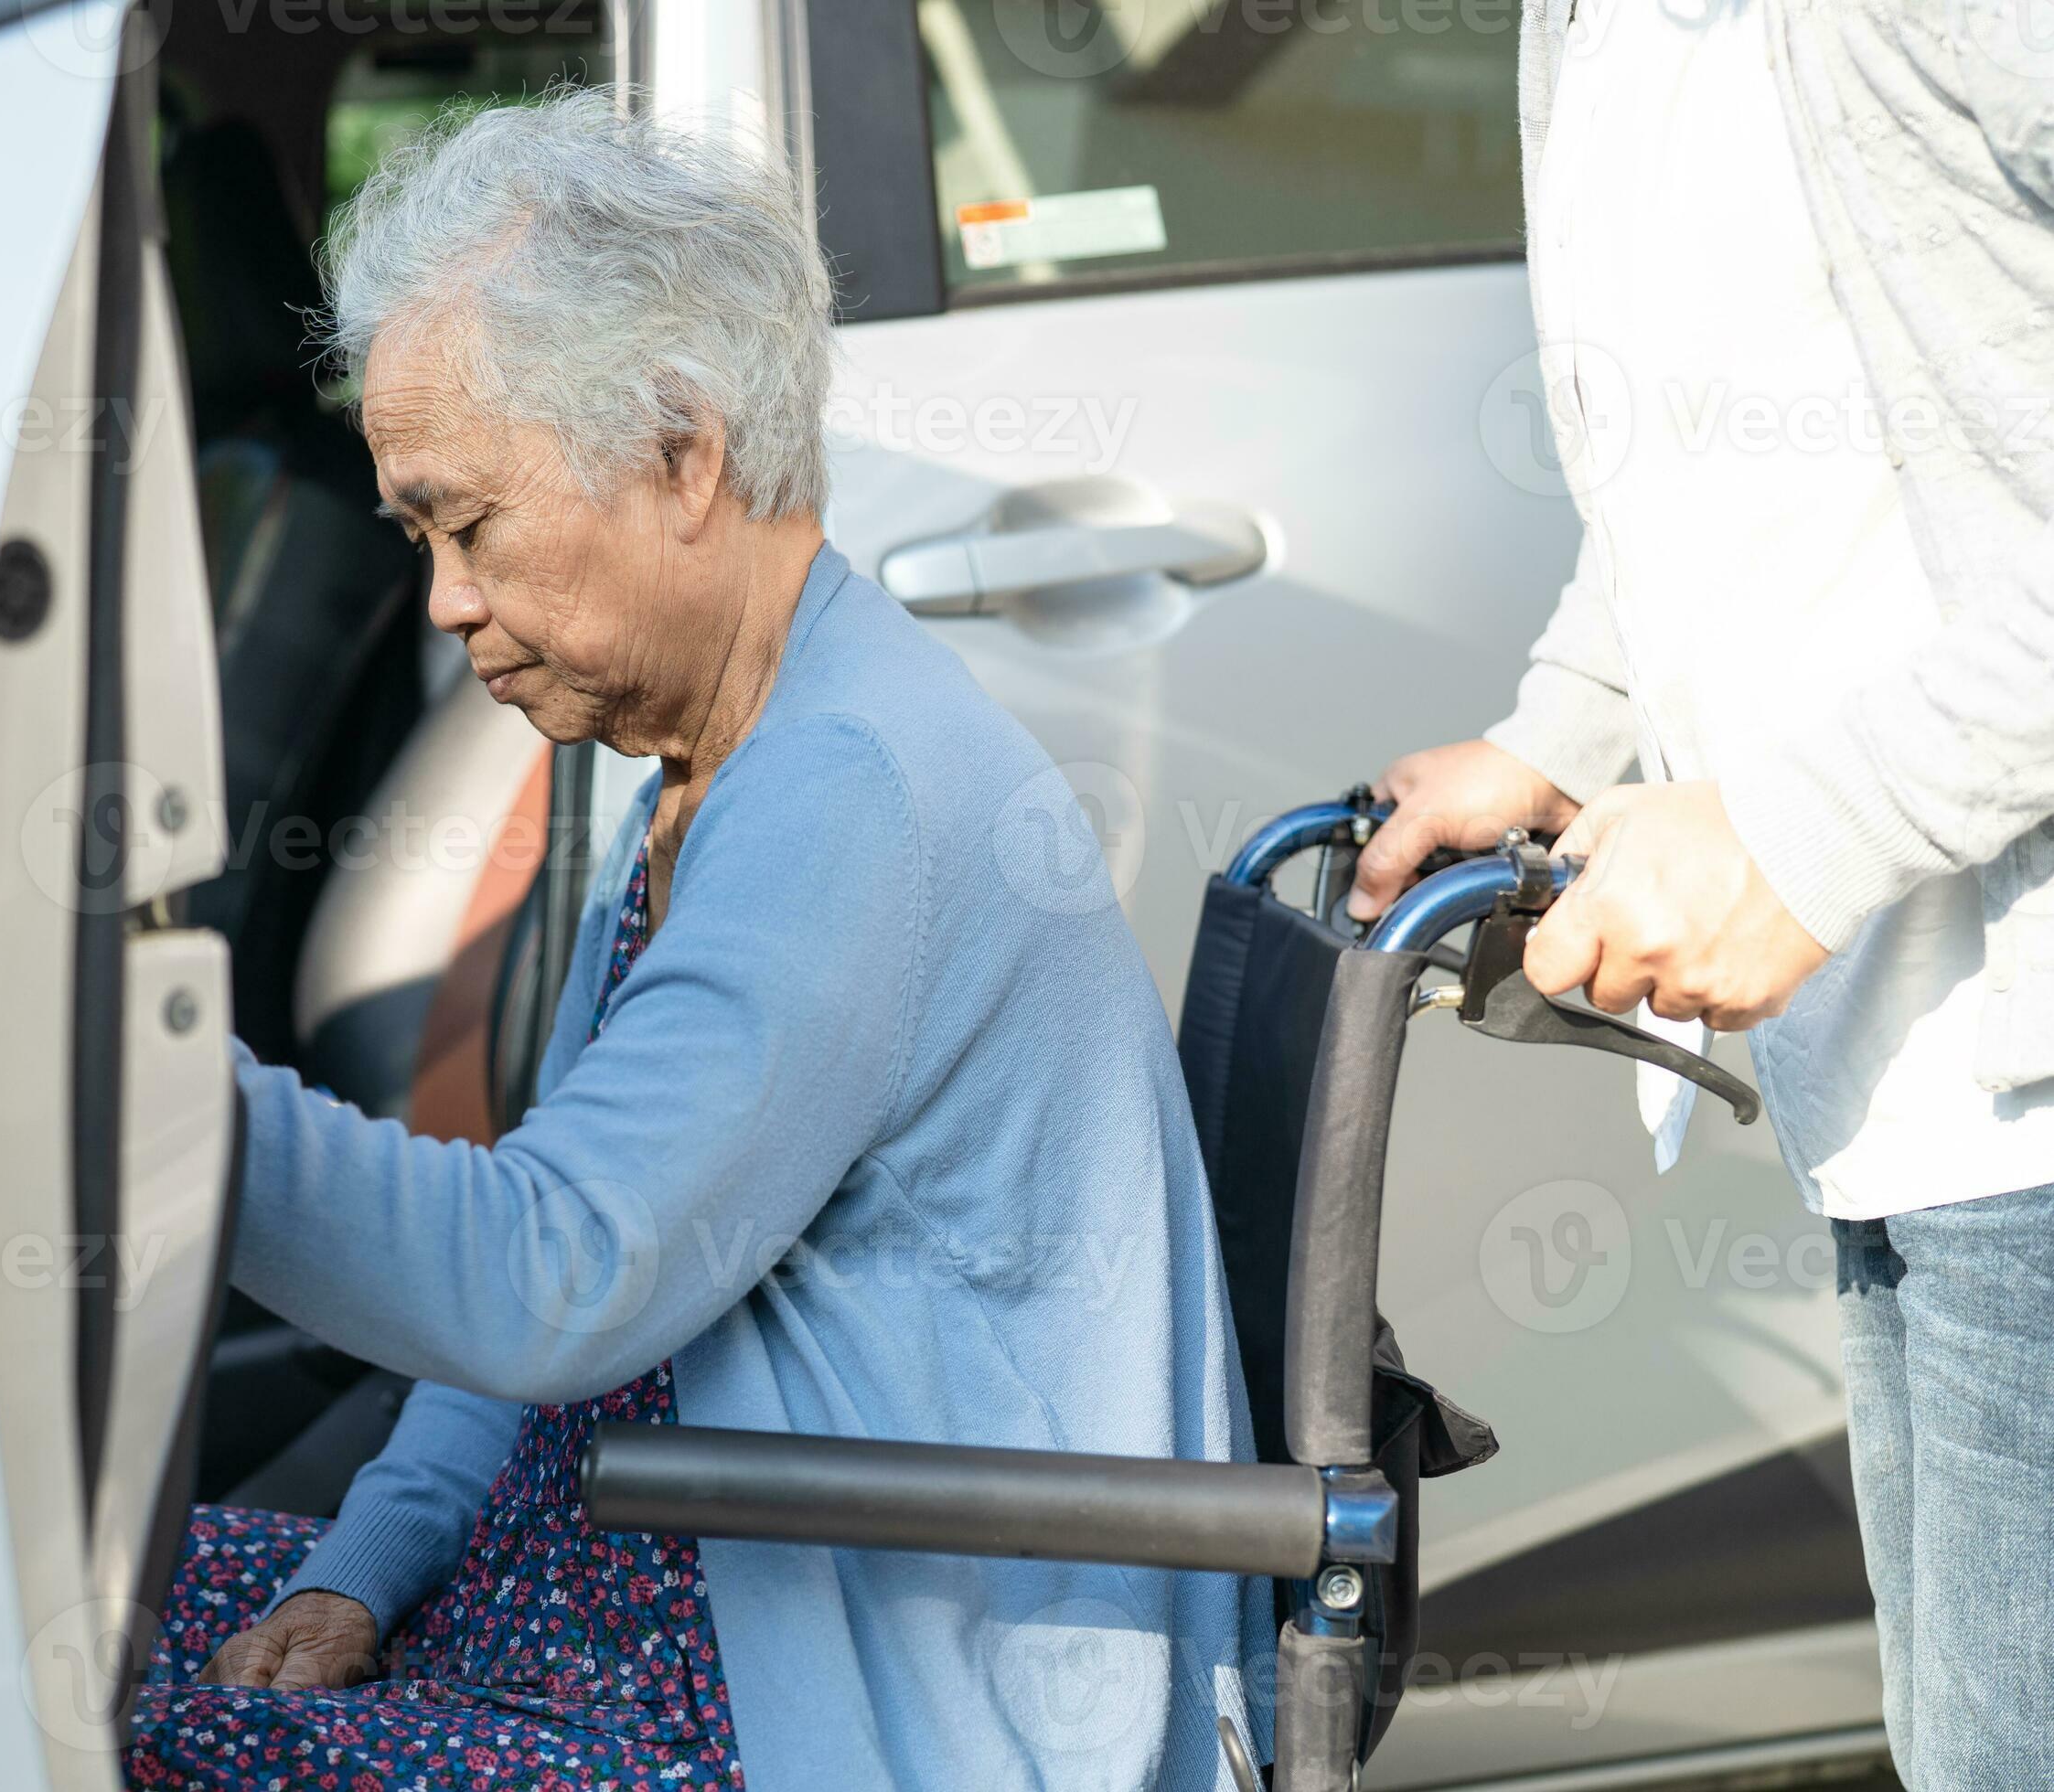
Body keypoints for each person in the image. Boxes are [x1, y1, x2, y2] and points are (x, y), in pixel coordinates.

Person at [124, 91, 1274, 1792]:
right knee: (69, 1629)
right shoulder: (720, 764)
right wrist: (361, 1564)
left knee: (79, 1709)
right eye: (420, 538)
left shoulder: (845, 796)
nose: (442, 599)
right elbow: (557, 1265)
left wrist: (135, 1087)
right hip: (648, 1589)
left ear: (682, 454)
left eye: (471, 524)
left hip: (857, 1683)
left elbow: (546, 1278)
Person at [1346, 5, 2054, 1785]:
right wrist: (1570, 729)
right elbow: (1717, 455)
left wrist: (1801, 835)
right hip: (1907, 1079)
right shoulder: (1583, 28)